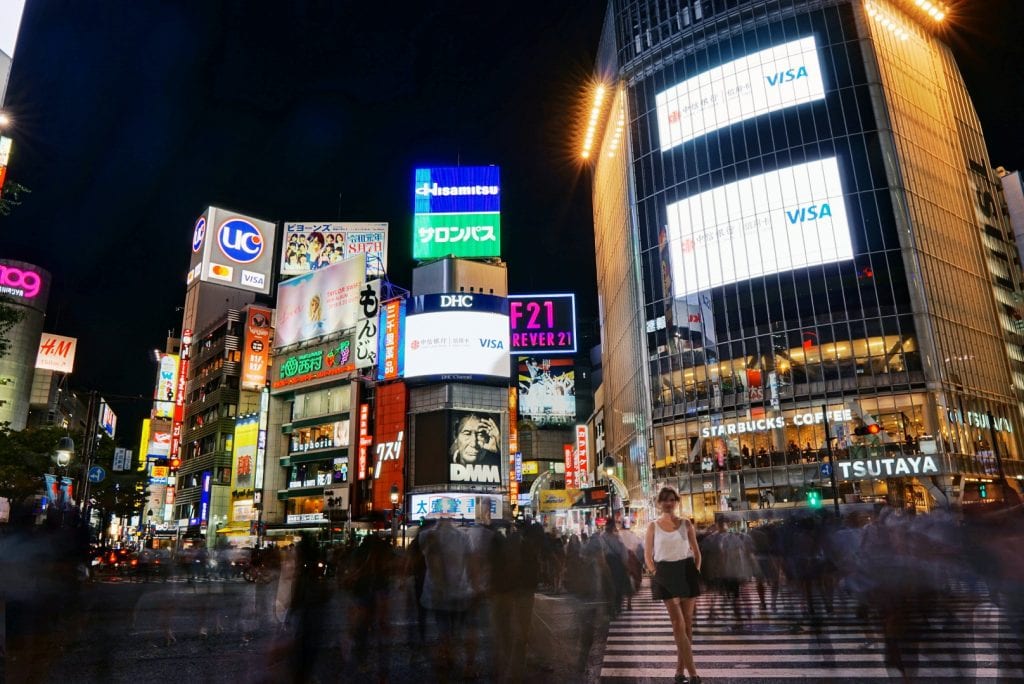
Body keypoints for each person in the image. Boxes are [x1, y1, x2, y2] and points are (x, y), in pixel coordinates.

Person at [645, 487, 702, 684]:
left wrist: (696, 571)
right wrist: (655, 573)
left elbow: (696, 551)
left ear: (676, 501)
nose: (668, 503)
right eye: (664, 500)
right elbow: (647, 555)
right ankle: (693, 673)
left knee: (687, 624)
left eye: (671, 499)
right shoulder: (653, 526)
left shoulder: (686, 524)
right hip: (665, 573)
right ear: (659, 503)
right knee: (678, 623)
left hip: (686, 572)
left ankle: (679, 671)